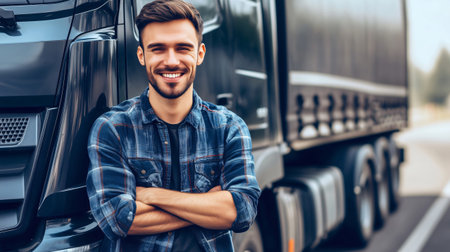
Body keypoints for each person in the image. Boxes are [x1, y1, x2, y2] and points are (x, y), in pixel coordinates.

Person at [86, 0, 261, 251]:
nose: (171, 61)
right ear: (141, 55)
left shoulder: (229, 128)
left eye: (182, 48)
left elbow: (242, 211)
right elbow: (116, 219)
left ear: (199, 54)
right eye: (158, 49)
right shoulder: (113, 128)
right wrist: (210, 205)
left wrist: (152, 195)